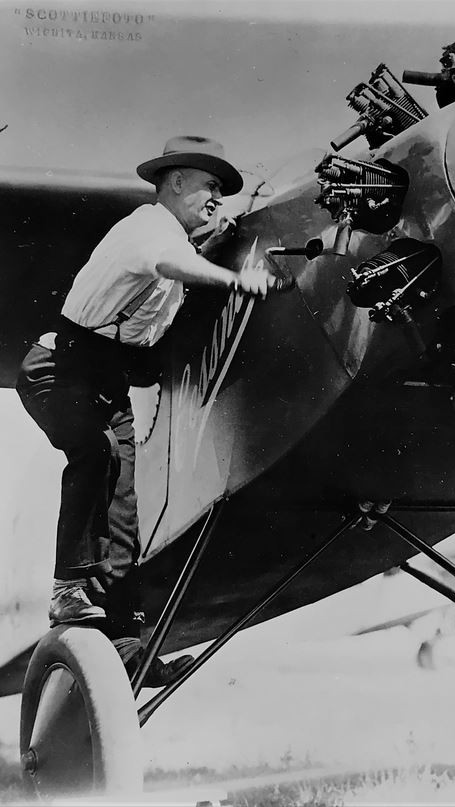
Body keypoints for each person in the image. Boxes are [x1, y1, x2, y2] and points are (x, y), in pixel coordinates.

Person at [16, 136, 274, 686]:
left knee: (124, 509)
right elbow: (171, 262)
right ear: (176, 181)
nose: (217, 199)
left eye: (223, 193)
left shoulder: (177, 234)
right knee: (96, 454)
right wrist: (235, 278)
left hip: (105, 379)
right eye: (210, 186)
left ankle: (129, 646)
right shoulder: (148, 228)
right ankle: (67, 590)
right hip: (61, 367)